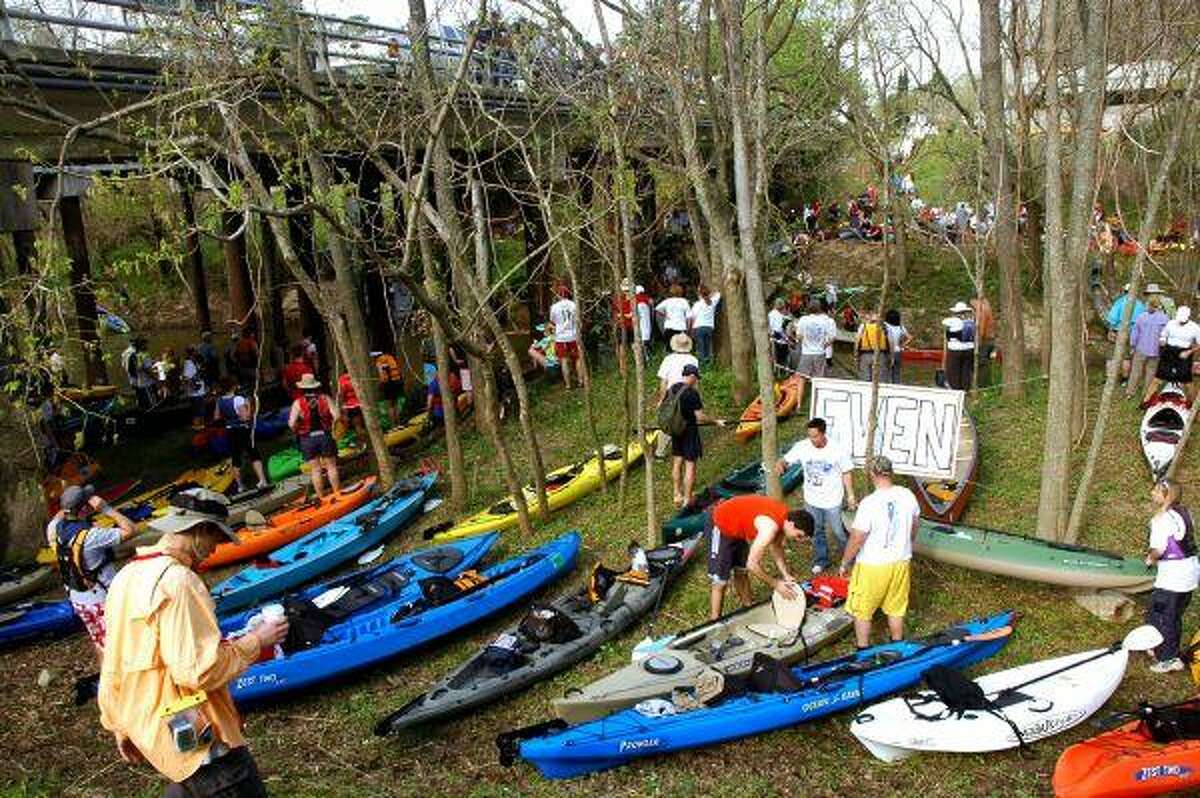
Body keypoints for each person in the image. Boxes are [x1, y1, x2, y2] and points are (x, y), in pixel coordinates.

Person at [98, 507, 288, 797]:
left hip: (151, 728)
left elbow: (112, 660)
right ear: (199, 530)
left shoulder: (126, 576)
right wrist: (256, 640)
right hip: (198, 739)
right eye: (215, 538)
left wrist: (119, 724)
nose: (214, 549)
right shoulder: (178, 582)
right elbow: (199, 670)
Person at [46, 485, 137, 658]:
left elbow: (59, 517)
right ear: (84, 508)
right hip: (103, 599)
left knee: (100, 642)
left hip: (79, 600)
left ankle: (107, 682)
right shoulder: (91, 536)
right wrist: (106, 508)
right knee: (121, 648)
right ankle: (121, 681)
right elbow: (131, 529)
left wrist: (71, 506)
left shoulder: (54, 529)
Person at [840, 456, 920, 648]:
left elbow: (857, 537)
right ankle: (897, 646)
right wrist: (907, 543)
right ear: (890, 472)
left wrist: (845, 562)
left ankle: (863, 651)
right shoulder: (907, 495)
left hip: (873, 565)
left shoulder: (869, 503)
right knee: (896, 608)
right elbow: (916, 523)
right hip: (901, 560)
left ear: (871, 474)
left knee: (862, 611)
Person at [706, 493, 814, 620]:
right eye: (799, 536)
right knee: (720, 581)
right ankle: (714, 621)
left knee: (741, 571)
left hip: (738, 528)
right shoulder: (769, 528)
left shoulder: (784, 519)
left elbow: (776, 547)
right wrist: (775, 584)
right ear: (791, 524)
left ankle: (748, 607)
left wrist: (785, 574)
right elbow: (752, 564)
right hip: (721, 523)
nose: (797, 539)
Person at [777, 417, 857, 574]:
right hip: (812, 499)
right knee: (816, 530)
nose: (812, 439)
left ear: (823, 433)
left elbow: (846, 472)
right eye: (810, 436)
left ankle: (850, 559)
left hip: (832, 499)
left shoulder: (837, 449)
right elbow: (785, 460)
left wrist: (850, 495)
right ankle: (821, 559)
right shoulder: (802, 447)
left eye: (815, 436)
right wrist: (781, 464)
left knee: (839, 531)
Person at [1143, 478, 1198, 673]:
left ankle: (1169, 658)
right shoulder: (1185, 512)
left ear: (1166, 496)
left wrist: (1150, 560)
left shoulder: (1161, 520)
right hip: (1190, 573)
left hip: (1174, 578)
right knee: (1160, 612)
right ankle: (1155, 646)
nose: (1152, 493)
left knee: (1166, 617)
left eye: (1156, 491)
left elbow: (1159, 549)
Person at [667, 363, 725, 508]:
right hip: (689, 432)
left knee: (677, 462)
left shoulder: (673, 388)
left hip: (675, 430)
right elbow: (699, 416)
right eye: (696, 378)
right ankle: (687, 499)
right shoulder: (691, 393)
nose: (696, 381)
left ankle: (676, 494)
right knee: (690, 465)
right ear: (691, 376)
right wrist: (715, 421)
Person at [287, 373, 341, 499]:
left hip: (307, 439)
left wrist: (296, 430)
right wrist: (333, 426)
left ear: (302, 388)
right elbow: (337, 415)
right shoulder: (325, 398)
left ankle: (321, 498)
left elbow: (291, 423)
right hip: (325, 436)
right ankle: (337, 494)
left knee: (315, 470)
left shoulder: (297, 403)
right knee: (331, 467)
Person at [215, 377, 268, 493]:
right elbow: (245, 417)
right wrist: (249, 406)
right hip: (242, 430)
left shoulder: (219, 401)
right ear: (233, 386)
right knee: (253, 454)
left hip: (230, 431)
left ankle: (240, 486)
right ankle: (262, 480)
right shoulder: (238, 399)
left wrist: (229, 418)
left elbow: (217, 417)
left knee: (236, 458)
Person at [653, 334, 700, 459]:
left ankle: (660, 451)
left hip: (672, 393)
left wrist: (662, 398)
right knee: (687, 419)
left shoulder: (668, 359)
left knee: (668, 419)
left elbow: (663, 381)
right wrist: (696, 396)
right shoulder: (693, 360)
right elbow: (695, 380)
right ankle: (686, 447)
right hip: (688, 393)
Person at [1143, 306, 1200, 407]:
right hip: (1169, 351)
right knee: (1158, 378)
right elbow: (1163, 335)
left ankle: (1194, 405)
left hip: (1184, 353)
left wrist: (1189, 352)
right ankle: (1145, 401)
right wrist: (1162, 341)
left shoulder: (1195, 327)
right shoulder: (1171, 323)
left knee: (1187, 381)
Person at [1128, 294, 1170, 400]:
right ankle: (1146, 394)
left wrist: (1132, 345)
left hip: (1141, 348)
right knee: (1151, 372)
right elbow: (1167, 335)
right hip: (1155, 350)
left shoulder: (1141, 317)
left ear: (1149, 305)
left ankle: (1130, 392)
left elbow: (1135, 333)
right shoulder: (1165, 318)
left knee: (1136, 370)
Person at [789, 300, 834, 379]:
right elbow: (832, 337)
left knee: (801, 378)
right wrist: (824, 346)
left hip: (806, 352)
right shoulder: (826, 320)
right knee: (819, 377)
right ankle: (816, 390)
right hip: (820, 352)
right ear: (820, 308)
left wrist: (803, 342)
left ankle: (801, 390)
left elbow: (799, 336)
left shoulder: (803, 319)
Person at [548, 285, 580, 389]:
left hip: (560, 337)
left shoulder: (554, 307)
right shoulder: (574, 305)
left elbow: (552, 321)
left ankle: (568, 385)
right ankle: (581, 381)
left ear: (558, 295)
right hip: (574, 336)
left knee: (564, 360)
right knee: (578, 359)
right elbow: (577, 319)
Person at [941, 301, 977, 391]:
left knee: (953, 371)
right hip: (969, 349)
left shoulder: (952, 321)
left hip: (955, 350)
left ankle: (956, 390)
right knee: (966, 371)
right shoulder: (971, 321)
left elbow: (943, 322)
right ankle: (965, 390)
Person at [689, 285, 721, 365]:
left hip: (698, 328)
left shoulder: (697, 304)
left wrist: (690, 330)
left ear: (699, 294)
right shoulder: (713, 301)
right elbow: (718, 294)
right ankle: (708, 364)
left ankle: (702, 365)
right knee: (708, 347)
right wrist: (709, 293)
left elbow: (692, 318)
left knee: (700, 348)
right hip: (709, 328)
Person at [854, 310, 890, 382]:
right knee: (880, 380)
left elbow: (857, 341)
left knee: (865, 379)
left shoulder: (863, 326)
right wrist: (890, 356)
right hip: (881, 355)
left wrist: (856, 355)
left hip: (865, 355)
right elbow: (890, 342)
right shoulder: (884, 327)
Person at [123, 336, 157, 409]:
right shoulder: (143, 355)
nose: (147, 346)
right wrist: (156, 378)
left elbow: (132, 367)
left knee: (142, 401)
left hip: (138, 381)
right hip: (146, 383)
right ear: (142, 345)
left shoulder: (130, 353)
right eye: (145, 344)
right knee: (152, 404)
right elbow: (146, 369)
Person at [374, 351, 405, 427]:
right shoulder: (390, 357)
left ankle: (393, 425)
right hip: (396, 382)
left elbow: (382, 375)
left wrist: (380, 385)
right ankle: (399, 423)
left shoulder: (379, 361)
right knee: (395, 404)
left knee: (390, 405)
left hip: (388, 384)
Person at [970, 296, 995, 386]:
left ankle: (982, 386)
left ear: (975, 300)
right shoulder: (987, 304)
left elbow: (982, 327)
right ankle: (986, 385)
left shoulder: (981, 309)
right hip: (990, 340)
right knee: (985, 364)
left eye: (971, 303)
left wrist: (978, 341)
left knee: (981, 364)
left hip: (984, 340)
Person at [883, 309, 913, 384]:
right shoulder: (901, 327)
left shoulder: (885, 325)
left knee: (886, 372)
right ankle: (897, 386)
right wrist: (903, 345)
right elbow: (910, 337)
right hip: (898, 351)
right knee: (896, 373)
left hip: (888, 351)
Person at [337, 371, 366, 443]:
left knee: (356, 426)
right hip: (359, 404)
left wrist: (341, 407)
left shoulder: (342, 379)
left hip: (350, 406)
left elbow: (342, 394)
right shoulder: (356, 376)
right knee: (361, 425)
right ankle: (364, 441)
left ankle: (362, 442)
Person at [181, 347, 206, 427]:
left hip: (198, 392)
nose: (197, 353)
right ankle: (197, 426)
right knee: (197, 412)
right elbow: (186, 378)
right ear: (192, 353)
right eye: (195, 351)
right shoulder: (189, 364)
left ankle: (201, 426)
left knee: (200, 411)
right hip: (195, 393)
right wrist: (194, 387)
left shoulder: (193, 362)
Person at [768, 298, 791, 371]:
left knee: (778, 360)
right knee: (780, 360)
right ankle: (780, 374)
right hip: (779, 340)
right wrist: (787, 340)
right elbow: (778, 330)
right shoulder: (776, 315)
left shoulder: (773, 314)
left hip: (777, 339)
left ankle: (779, 373)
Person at [635, 285, 654, 360]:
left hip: (642, 329)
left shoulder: (639, 303)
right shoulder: (646, 301)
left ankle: (646, 358)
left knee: (644, 343)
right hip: (647, 328)